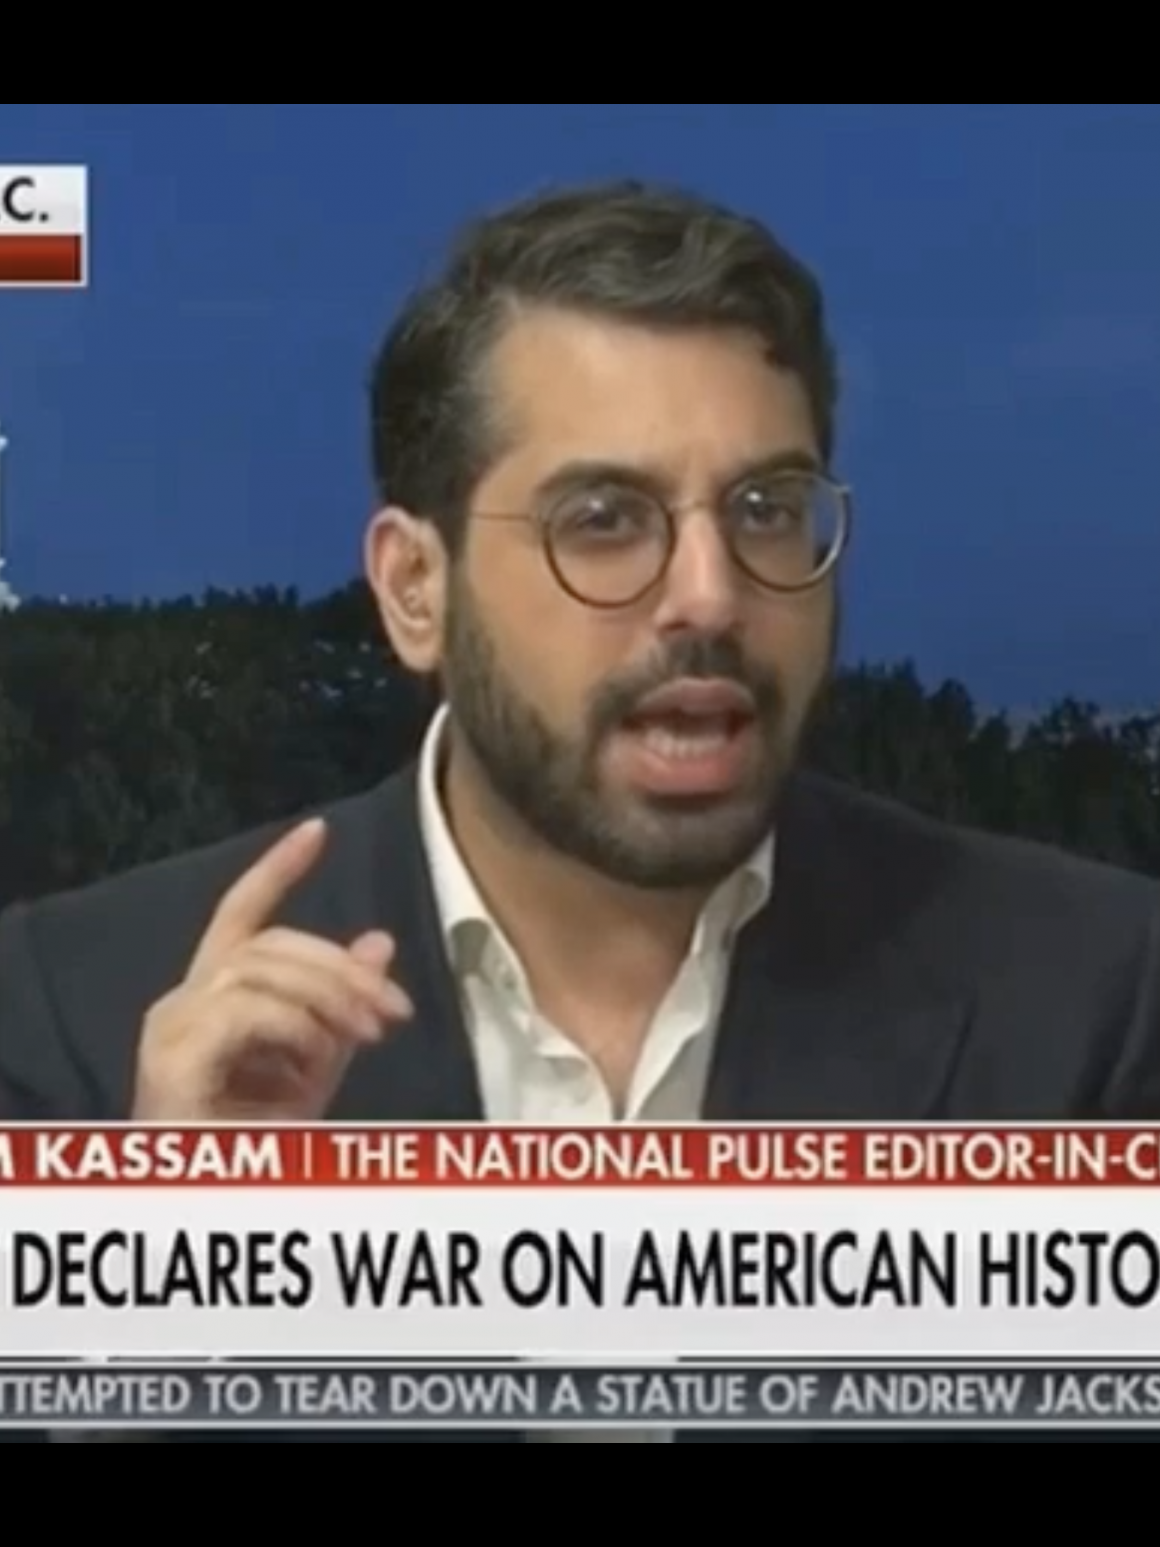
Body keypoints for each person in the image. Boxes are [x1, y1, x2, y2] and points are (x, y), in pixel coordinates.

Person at [1, 180, 1158, 1446]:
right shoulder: (68, 1017)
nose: (710, 594)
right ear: (415, 587)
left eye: (767, 510)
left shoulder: (1089, 1002)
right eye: (602, 521)